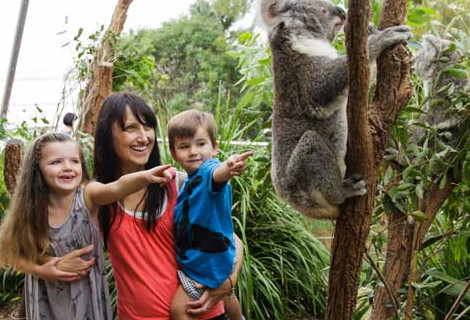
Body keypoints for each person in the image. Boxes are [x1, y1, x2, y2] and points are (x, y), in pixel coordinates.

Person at [92, 92, 243, 319]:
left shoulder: (179, 183)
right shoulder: (100, 197)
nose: (143, 137)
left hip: (200, 313)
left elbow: (230, 238)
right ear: (108, 136)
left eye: (148, 127)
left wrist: (228, 282)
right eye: (131, 128)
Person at [0, 132, 173, 320]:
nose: (68, 168)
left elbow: (116, 187)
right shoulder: (31, 208)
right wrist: (42, 270)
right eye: (56, 162)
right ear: (37, 168)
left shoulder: (88, 195)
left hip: (85, 299)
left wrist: (146, 176)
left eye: (74, 161)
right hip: (45, 300)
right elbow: (6, 252)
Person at [167, 110, 252, 320]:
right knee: (225, 294)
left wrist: (229, 166)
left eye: (200, 144)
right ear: (174, 153)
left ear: (215, 147)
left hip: (211, 260)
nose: (193, 151)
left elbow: (217, 175)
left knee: (180, 308)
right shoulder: (189, 180)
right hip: (213, 254)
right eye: (184, 147)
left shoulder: (208, 171)